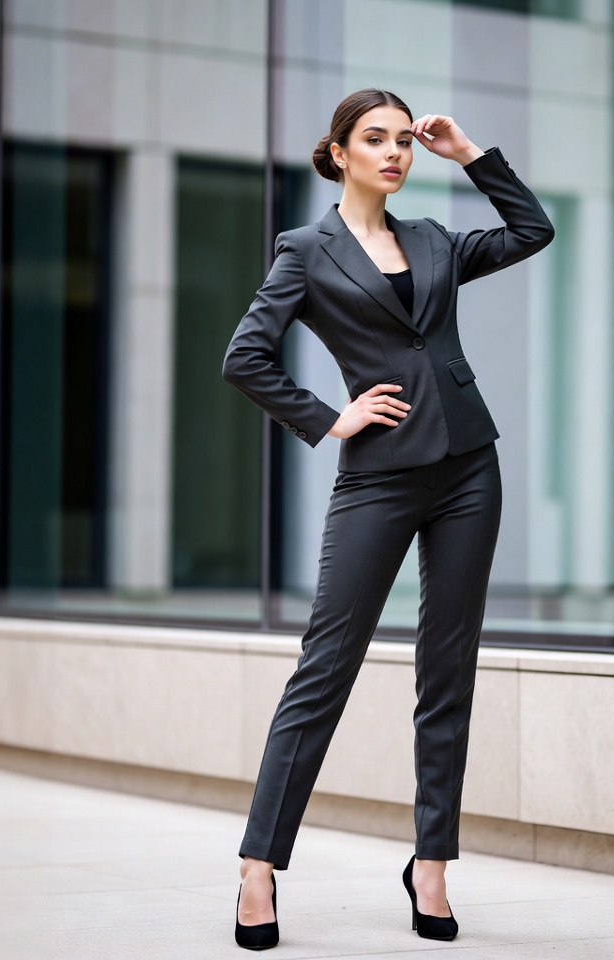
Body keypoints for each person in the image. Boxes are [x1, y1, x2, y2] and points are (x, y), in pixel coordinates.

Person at [223, 87, 554, 949]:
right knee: (325, 668)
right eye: (377, 139)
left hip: (468, 471)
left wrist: (469, 153)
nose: (395, 152)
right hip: (377, 480)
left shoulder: (434, 240)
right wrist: (329, 417)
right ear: (338, 153)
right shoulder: (306, 249)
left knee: (447, 671)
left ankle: (431, 864)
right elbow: (244, 357)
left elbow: (531, 231)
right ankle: (259, 866)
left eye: (404, 139)